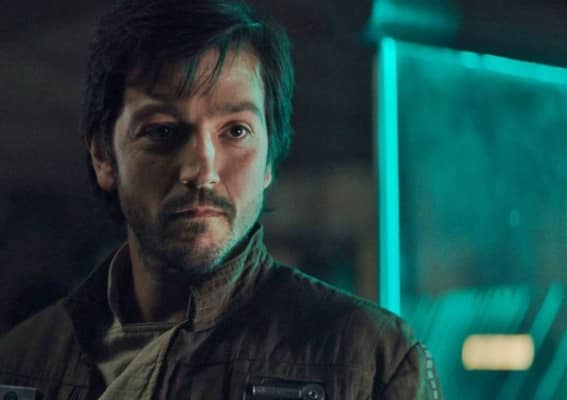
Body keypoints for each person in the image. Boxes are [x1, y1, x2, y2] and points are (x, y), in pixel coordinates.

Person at [0, 0, 442, 398]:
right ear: (103, 156)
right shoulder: (21, 364)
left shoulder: (372, 361)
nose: (202, 170)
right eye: (162, 131)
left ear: (268, 160)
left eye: (236, 131)